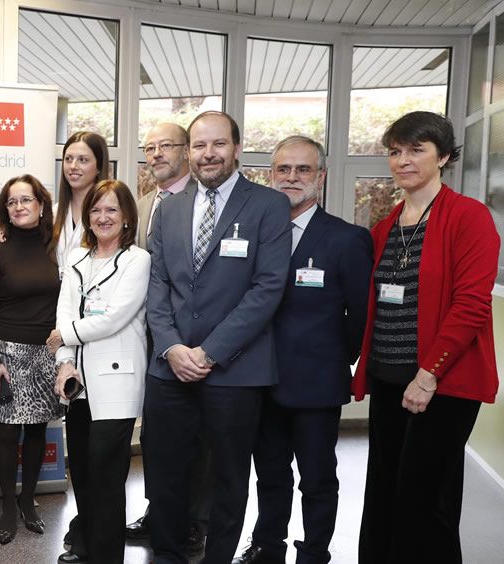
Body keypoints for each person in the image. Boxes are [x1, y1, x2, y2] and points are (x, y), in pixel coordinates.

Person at [144, 111, 291, 564]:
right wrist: (172, 347)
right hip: (169, 369)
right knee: (165, 473)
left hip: (235, 369)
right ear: (189, 152)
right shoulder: (168, 208)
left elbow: (267, 288)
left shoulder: (268, 205)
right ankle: (167, 554)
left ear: (237, 148)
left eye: (218, 144)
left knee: (228, 478)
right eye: (199, 145)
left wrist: (209, 353)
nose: (209, 154)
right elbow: (157, 285)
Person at [353, 111, 500, 564]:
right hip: (389, 376)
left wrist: (428, 374)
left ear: (444, 157)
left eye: (416, 150)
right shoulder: (385, 227)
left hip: (442, 382)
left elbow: (471, 304)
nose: (403, 160)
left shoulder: (469, 217)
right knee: (384, 492)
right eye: (395, 151)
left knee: (425, 500)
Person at [233, 136, 373, 564]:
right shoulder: (250, 234)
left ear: (321, 177)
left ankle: (314, 553)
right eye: (283, 169)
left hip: (316, 383)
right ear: (270, 176)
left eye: (303, 169)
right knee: (269, 474)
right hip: (259, 380)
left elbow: (360, 315)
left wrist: (333, 358)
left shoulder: (347, 239)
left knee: (317, 478)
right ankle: (267, 545)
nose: (292, 177)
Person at [51, 179, 151, 564]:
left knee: (106, 475)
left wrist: (64, 335)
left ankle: (107, 557)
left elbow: (113, 318)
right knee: (82, 471)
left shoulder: (137, 260)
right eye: (95, 209)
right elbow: (63, 310)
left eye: (111, 209)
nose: (103, 217)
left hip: (117, 381)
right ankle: (87, 547)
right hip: (78, 383)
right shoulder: (77, 257)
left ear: (126, 216)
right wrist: (63, 361)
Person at [126, 122, 210, 556]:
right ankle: (159, 512)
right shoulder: (142, 204)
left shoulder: (206, 202)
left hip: (191, 342)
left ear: (186, 151)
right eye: (150, 148)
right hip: (145, 338)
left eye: (166, 146)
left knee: (197, 439)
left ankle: (194, 520)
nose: (156, 154)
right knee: (156, 438)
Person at [0, 174, 65, 546]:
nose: (19, 207)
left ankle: (27, 501)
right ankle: (8, 510)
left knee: (37, 432)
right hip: (8, 354)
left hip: (47, 352)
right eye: (12, 202)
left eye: (26, 199)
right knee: (7, 434)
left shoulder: (58, 246)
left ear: (41, 205)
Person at [54, 131, 111, 274]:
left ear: (98, 167)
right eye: (68, 159)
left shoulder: (113, 214)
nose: (73, 166)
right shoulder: (54, 213)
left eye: (83, 160)